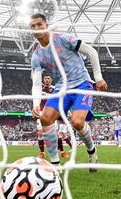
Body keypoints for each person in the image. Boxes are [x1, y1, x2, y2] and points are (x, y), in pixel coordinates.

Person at [29, 13, 107, 171]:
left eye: (39, 24)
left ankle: (92, 153)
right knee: (45, 119)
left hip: (82, 84)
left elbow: (92, 52)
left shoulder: (63, 38)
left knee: (77, 123)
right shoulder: (36, 55)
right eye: (32, 26)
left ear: (46, 25)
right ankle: (55, 166)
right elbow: (36, 83)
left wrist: (98, 77)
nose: (36, 28)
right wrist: (36, 104)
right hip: (61, 89)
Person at [37, 74, 55, 158]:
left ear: (51, 79)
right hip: (41, 112)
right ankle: (42, 152)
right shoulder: (40, 89)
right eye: (45, 78)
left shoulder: (55, 89)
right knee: (40, 133)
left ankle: (55, 152)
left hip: (52, 113)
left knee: (53, 134)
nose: (46, 80)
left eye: (48, 78)